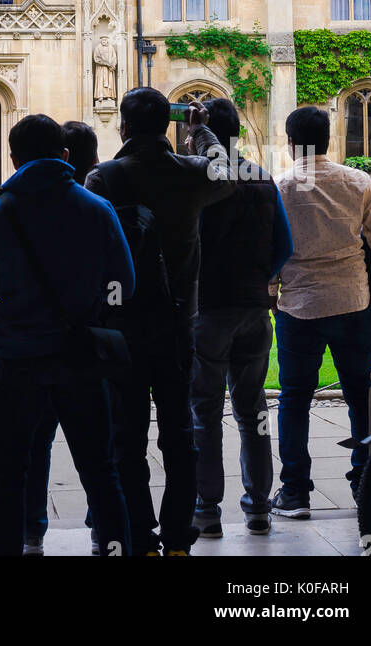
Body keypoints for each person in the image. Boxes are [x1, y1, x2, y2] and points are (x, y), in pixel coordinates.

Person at [0, 113, 134, 558]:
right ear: (66, 156)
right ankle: (114, 550)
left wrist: (9, 286)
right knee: (100, 471)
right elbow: (123, 285)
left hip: (16, 358)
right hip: (78, 356)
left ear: (14, 158)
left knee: (10, 476)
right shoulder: (97, 209)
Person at [86, 87, 234, 556]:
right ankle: (176, 538)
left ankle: (140, 535)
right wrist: (200, 128)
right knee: (179, 434)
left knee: (126, 438)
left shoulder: (103, 178)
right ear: (165, 125)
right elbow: (227, 172)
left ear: (124, 127)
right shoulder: (189, 172)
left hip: (124, 325)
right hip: (176, 323)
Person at [271, 105, 371, 516]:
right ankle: (364, 481)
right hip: (351, 302)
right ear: (329, 140)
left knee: (294, 398)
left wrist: (272, 290)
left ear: (290, 143)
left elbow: (271, 253)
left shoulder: (280, 187)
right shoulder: (357, 182)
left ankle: (295, 491)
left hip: (298, 304)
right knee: (359, 395)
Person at [190, 97, 293, 539]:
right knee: (254, 410)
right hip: (254, 308)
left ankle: (207, 509)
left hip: (209, 309)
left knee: (205, 412)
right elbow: (284, 248)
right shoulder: (263, 179)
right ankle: (258, 509)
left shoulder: (196, 181)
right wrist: (257, 280)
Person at [23, 120, 101, 554]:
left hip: (26, 350)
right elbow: (123, 281)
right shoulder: (99, 207)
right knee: (96, 446)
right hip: (84, 345)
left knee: (31, 448)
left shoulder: (3, 209)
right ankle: (102, 532)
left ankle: (30, 534)